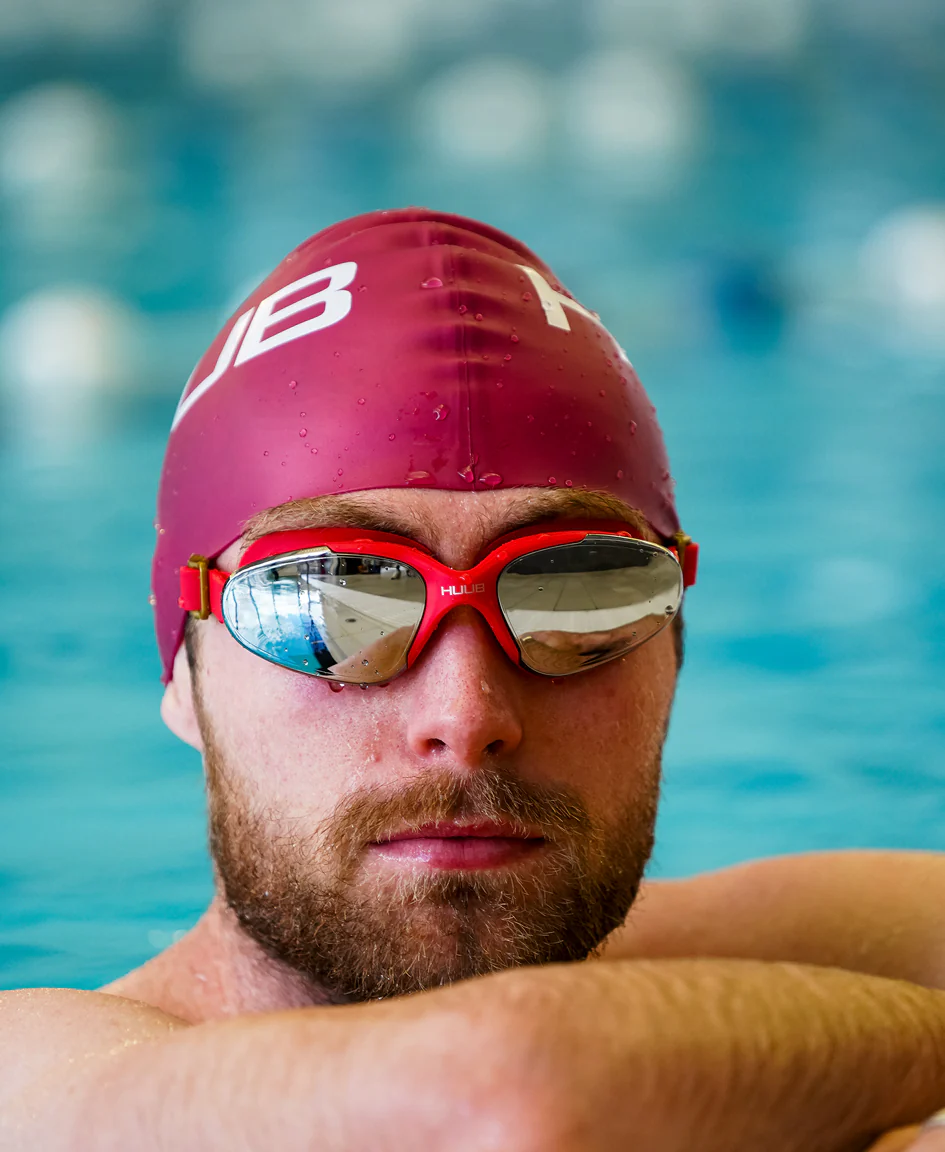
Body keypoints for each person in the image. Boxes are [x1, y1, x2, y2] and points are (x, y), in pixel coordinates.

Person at [3, 208, 945, 1151]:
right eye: (330, 608)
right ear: (183, 674)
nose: (468, 716)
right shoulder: (36, 1078)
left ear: (675, 649)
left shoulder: (762, 950)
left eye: (579, 594)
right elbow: (497, 1088)